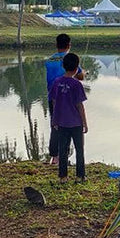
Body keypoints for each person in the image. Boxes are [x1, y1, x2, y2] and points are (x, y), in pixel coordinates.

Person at [45, 33, 84, 165]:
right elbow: (79, 76)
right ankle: (63, 156)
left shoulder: (49, 60)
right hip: (68, 98)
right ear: (69, 45)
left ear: (56, 45)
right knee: (68, 125)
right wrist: (83, 72)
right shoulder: (69, 59)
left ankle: (54, 156)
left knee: (55, 124)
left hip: (53, 97)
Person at [51, 53, 88, 183]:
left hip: (61, 123)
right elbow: (80, 106)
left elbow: (54, 103)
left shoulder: (57, 82)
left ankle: (63, 177)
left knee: (63, 150)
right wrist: (85, 123)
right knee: (79, 150)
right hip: (76, 123)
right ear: (77, 67)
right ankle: (80, 176)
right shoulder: (77, 84)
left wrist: (54, 120)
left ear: (63, 66)